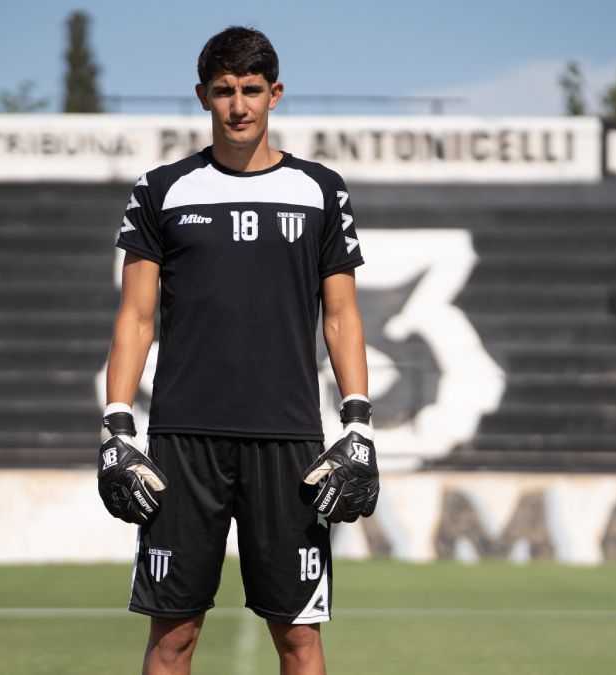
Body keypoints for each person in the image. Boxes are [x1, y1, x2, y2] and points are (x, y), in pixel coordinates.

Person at [97, 26, 378, 675]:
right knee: (173, 637)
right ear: (203, 96)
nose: (239, 105)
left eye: (252, 90)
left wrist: (359, 424)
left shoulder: (320, 190)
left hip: (288, 441)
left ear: (275, 93)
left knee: (300, 639)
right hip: (182, 441)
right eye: (224, 91)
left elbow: (342, 315)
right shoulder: (161, 189)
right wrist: (116, 427)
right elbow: (135, 316)